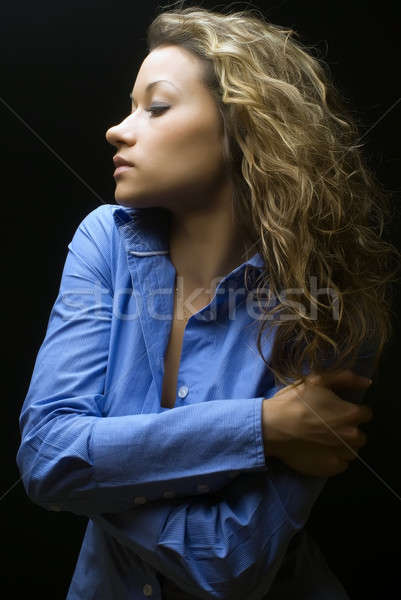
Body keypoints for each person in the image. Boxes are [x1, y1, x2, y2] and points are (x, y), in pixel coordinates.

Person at [16, 4, 400, 600]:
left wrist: (91, 475)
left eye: (157, 107)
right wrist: (263, 427)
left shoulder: (333, 304)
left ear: (243, 128)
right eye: (130, 106)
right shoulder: (104, 241)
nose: (118, 129)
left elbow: (228, 565)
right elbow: (44, 457)